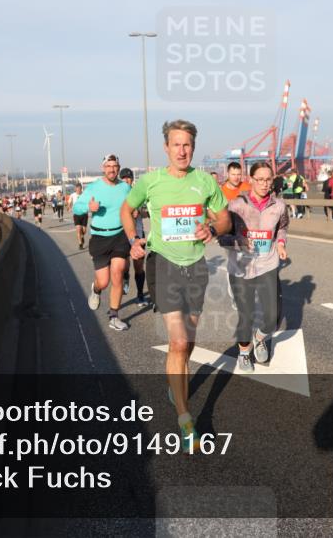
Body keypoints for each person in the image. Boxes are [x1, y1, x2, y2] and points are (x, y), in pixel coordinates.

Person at [121, 120, 230, 448]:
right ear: (166, 148)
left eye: (187, 145)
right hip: (163, 264)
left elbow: (223, 216)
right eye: (176, 144)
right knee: (179, 342)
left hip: (195, 266)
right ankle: (186, 421)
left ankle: (175, 387)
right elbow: (128, 209)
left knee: (189, 340)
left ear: (193, 148)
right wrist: (133, 239)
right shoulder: (150, 182)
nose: (182, 150)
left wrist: (214, 230)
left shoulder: (204, 182)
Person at [218, 161, 289, 373]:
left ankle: (259, 339)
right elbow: (222, 237)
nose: (265, 184)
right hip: (241, 266)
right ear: (251, 180)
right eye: (260, 179)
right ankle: (243, 352)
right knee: (246, 315)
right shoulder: (236, 205)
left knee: (272, 317)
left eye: (268, 179)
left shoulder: (279, 206)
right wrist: (239, 242)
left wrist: (282, 244)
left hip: (267, 263)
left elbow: (282, 228)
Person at [72, 155, 133, 331]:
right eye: (109, 166)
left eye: (115, 166)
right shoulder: (94, 188)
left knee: (118, 271)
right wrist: (88, 208)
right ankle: (96, 289)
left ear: (119, 167)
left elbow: (133, 205)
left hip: (120, 236)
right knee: (104, 281)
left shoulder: (125, 188)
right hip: (99, 238)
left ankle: (114, 316)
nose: (112, 169)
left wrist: (135, 211)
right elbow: (77, 208)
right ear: (103, 167)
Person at [118, 167, 149, 305]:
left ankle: (140, 294)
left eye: (129, 178)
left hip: (138, 232)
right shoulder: (118, 194)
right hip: (122, 234)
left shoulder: (139, 192)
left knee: (139, 266)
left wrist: (139, 211)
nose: (127, 180)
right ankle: (125, 276)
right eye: (124, 178)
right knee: (124, 264)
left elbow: (147, 210)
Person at [68, 183, 86, 248]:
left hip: (84, 214)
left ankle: (82, 236)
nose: (78, 190)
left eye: (79, 189)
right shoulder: (72, 195)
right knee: (78, 229)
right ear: (75, 189)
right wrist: (69, 207)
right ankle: (80, 244)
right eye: (77, 189)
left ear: (81, 189)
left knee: (84, 230)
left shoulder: (84, 194)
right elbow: (69, 202)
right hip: (76, 214)